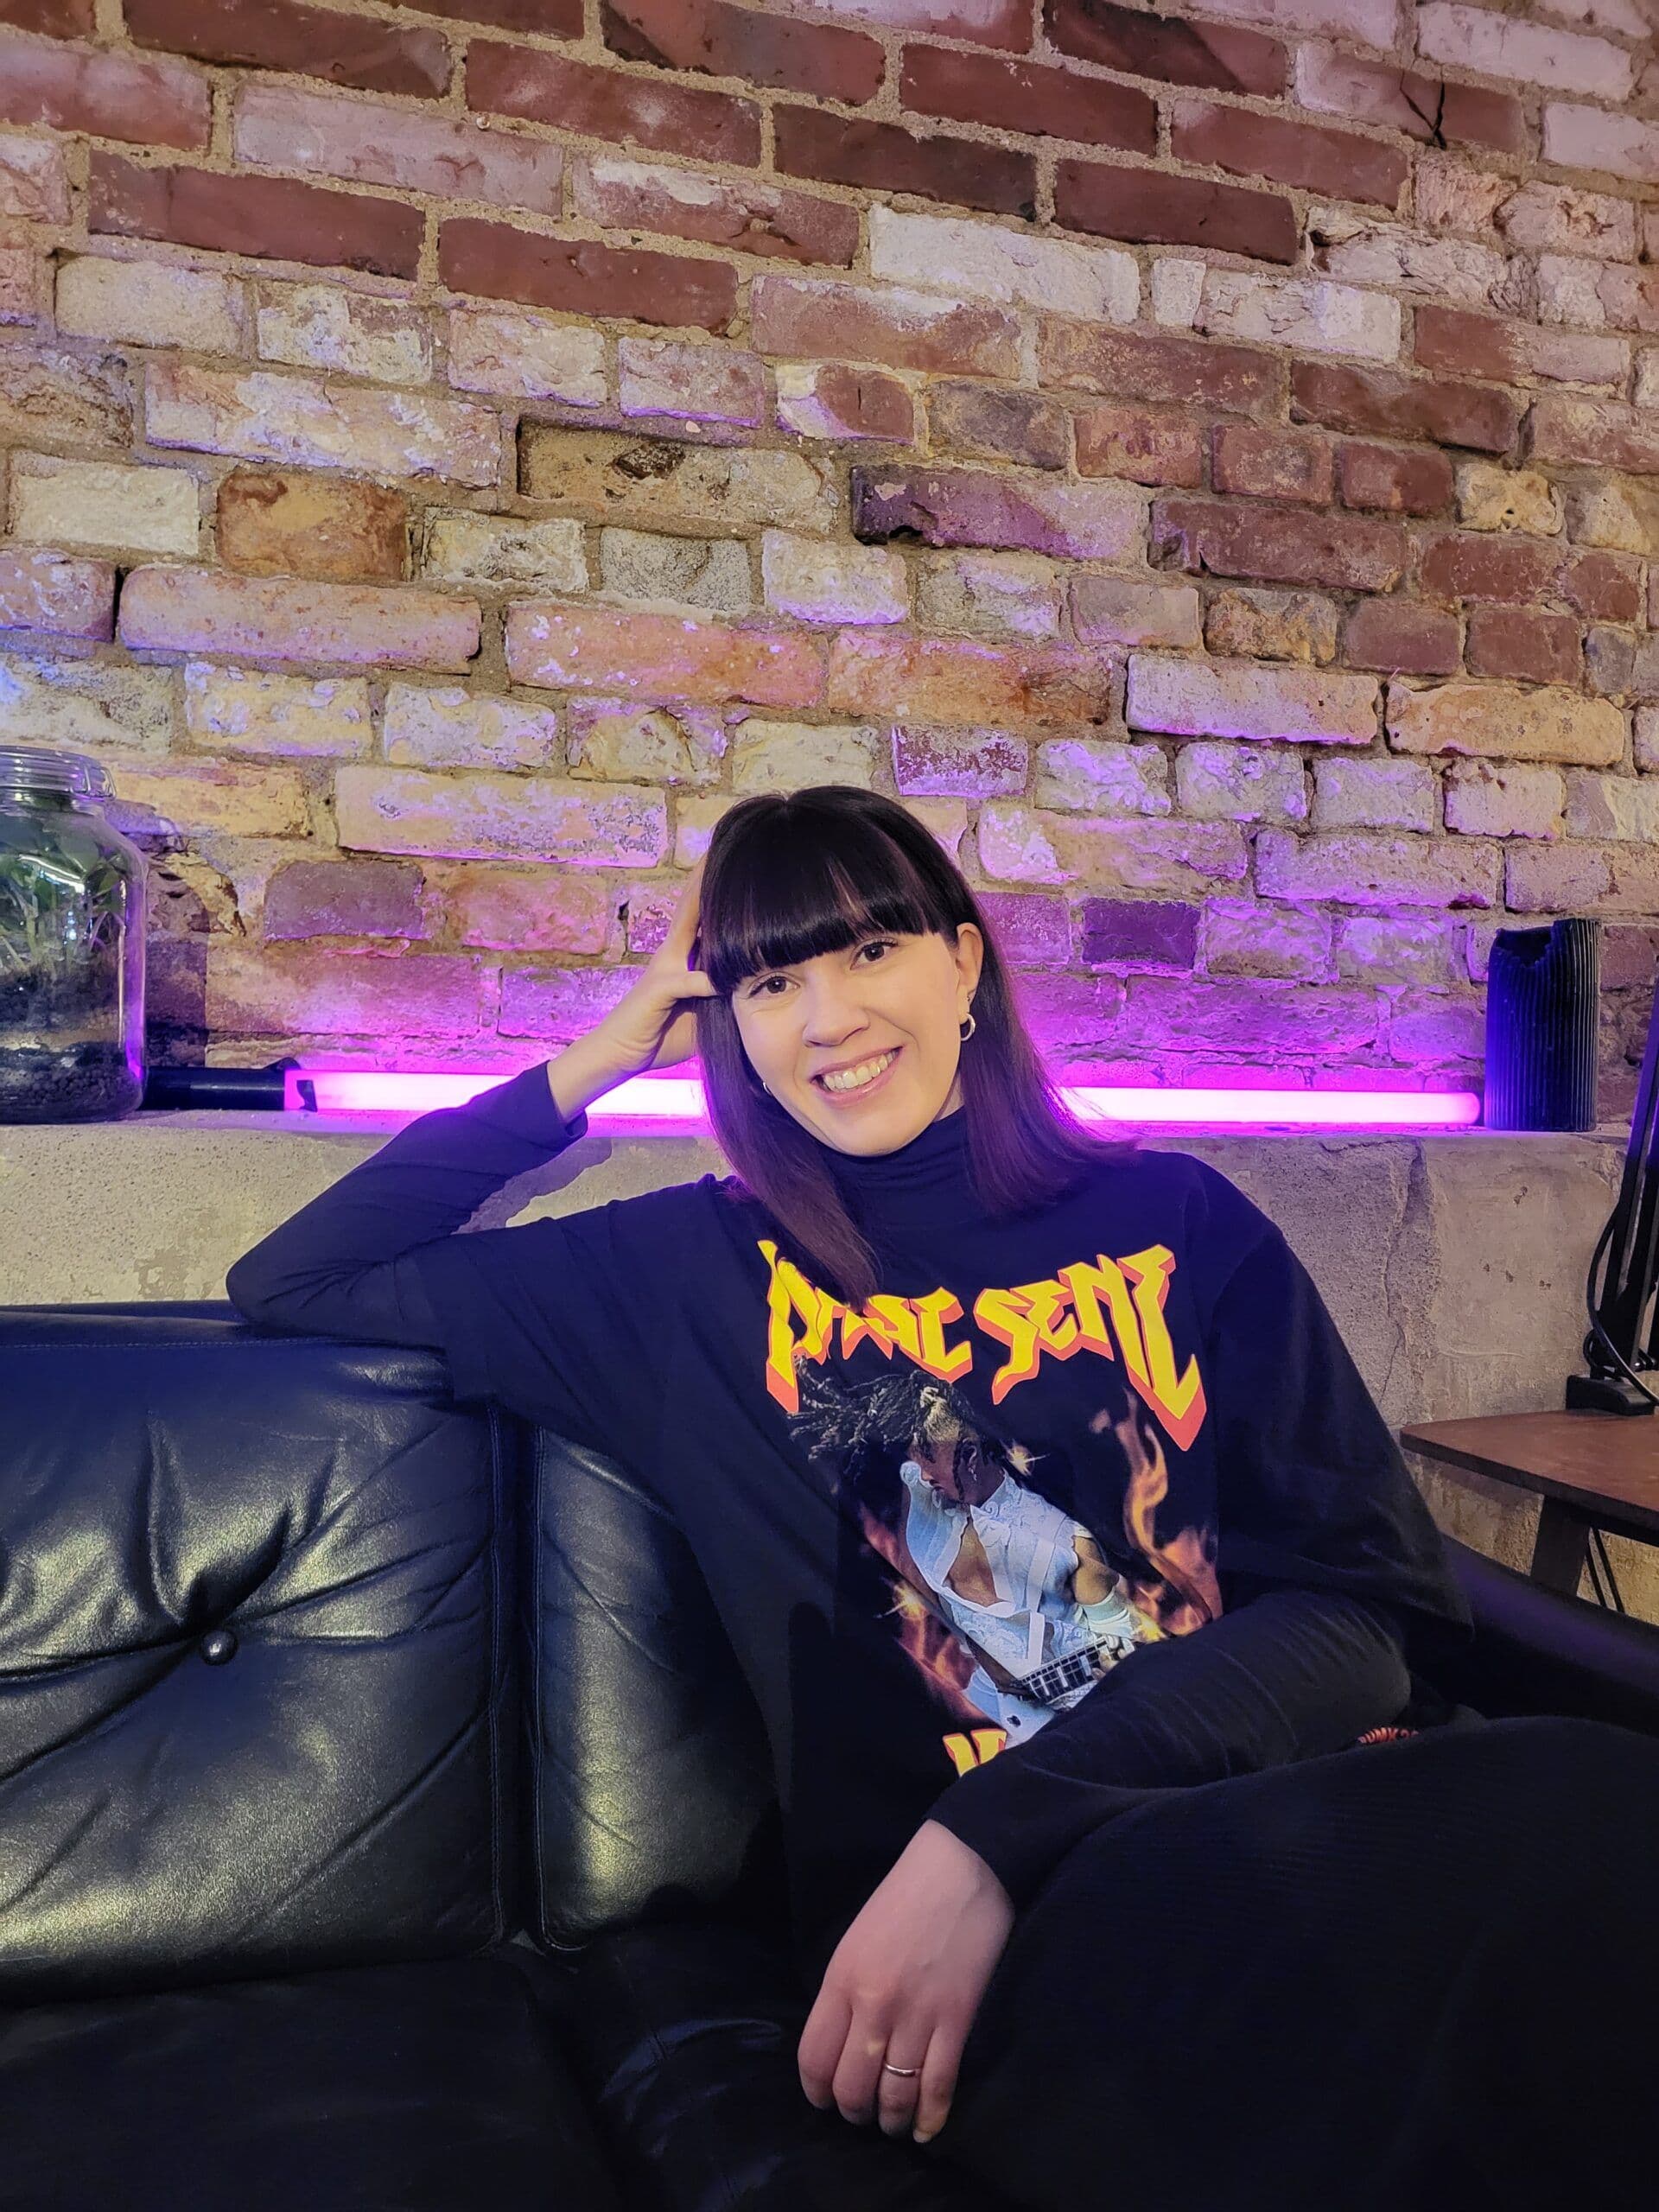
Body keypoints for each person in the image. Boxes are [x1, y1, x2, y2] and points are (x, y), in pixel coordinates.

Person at [227, 786, 1659, 2212]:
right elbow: (299, 1278)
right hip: (1021, 1936)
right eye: (770, 983)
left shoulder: (1180, 1219)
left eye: (871, 951)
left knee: (1590, 1815)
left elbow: (1365, 1610)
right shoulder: (690, 1280)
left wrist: (997, 1824)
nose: (828, 1017)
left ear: (964, 963)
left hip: (1272, 1794)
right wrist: (602, 1056)